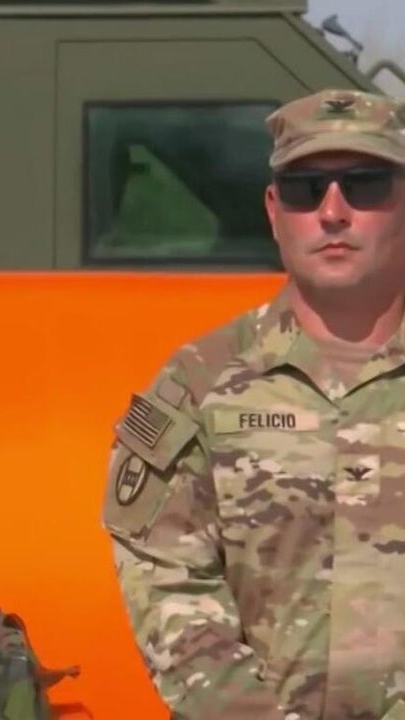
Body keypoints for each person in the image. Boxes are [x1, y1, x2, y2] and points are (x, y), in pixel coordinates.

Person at [103, 88, 405, 720]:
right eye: (304, 190)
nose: (332, 212)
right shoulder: (198, 385)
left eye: (365, 185)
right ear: (273, 210)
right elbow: (168, 582)